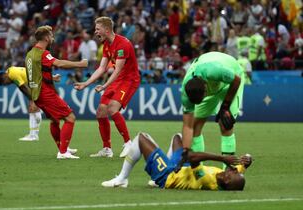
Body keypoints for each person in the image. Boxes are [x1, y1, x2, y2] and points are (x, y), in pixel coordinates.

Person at [74, 17, 140, 158]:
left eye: (98, 29)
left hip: (129, 80)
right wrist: (86, 83)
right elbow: (102, 68)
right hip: (117, 80)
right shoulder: (106, 45)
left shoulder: (123, 44)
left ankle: (128, 144)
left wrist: (104, 86)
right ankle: (107, 149)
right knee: (101, 112)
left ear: (107, 29)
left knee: (112, 108)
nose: (95, 32)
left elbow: (117, 70)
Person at [101, 132, 252, 190]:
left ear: (226, 181)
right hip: (182, 168)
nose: (232, 170)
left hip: (168, 176)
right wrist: (248, 159)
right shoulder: (227, 176)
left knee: (141, 138)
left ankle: (122, 178)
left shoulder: (206, 180)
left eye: (232, 173)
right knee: (178, 137)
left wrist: (222, 158)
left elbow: (193, 157)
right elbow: (242, 166)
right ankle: (156, 176)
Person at [25, 25, 88, 159]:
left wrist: (51, 77)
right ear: (47, 38)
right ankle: (63, 152)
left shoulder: (30, 54)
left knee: (55, 120)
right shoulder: (43, 53)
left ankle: (63, 147)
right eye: (51, 36)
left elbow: (33, 73)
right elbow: (59, 63)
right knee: (70, 118)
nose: (53, 38)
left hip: (36, 93)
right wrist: (80, 64)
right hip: (45, 92)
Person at [181, 51, 245, 168]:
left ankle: (228, 170)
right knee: (195, 125)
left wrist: (225, 106)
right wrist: (186, 150)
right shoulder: (186, 93)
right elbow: (187, 126)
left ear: (205, 89)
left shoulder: (214, 71)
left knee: (225, 124)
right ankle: (199, 170)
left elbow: (236, 80)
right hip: (212, 82)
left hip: (231, 79)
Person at [0, 66, 58, 142]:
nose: (7, 85)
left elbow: (24, 87)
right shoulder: (10, 71)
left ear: (5, 77)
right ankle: (33, 134)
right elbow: (21, 86)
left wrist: (32, 100)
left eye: (5, 83)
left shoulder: (12, 74)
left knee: (34, 109)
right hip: (36, 84)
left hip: (37, 85)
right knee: (32, 109)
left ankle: (33, 135)